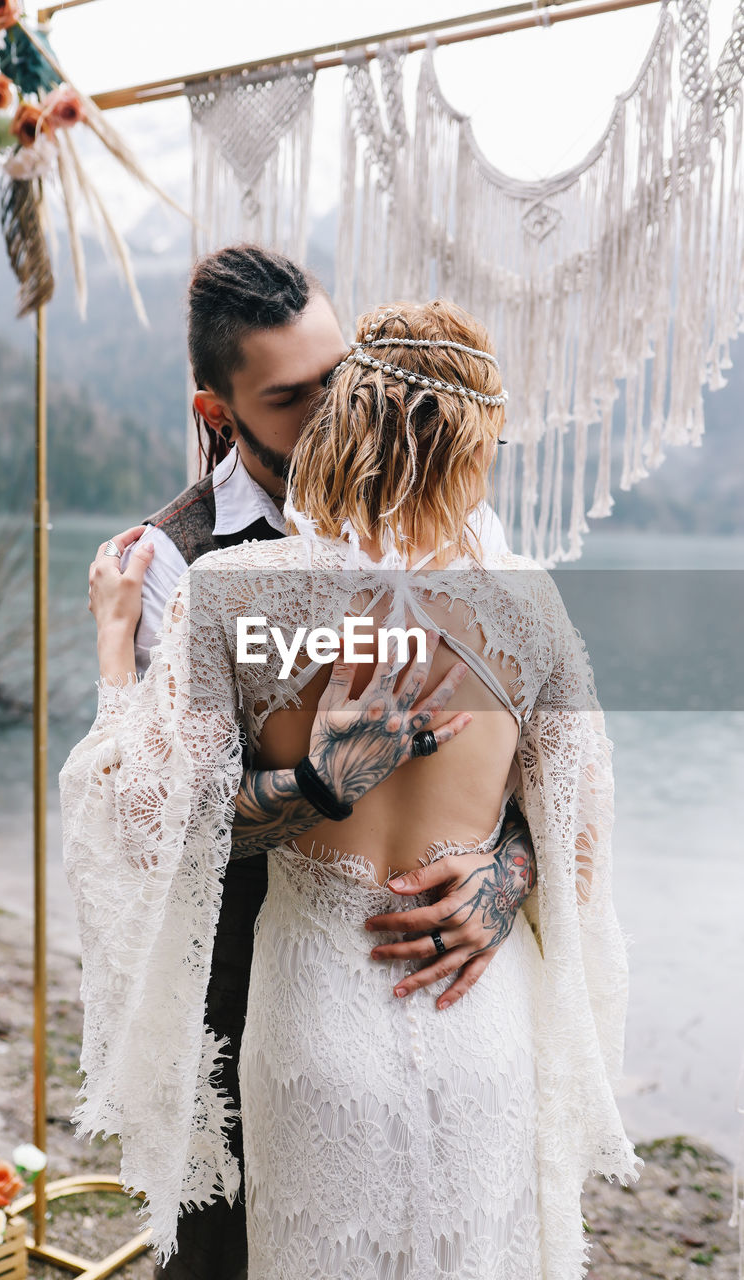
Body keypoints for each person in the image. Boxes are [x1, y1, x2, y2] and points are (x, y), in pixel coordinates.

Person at [62, 297, 641, 1278]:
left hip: (313, 1026)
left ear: (352, 415)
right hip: (475, 1018)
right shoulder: (532, 606)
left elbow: (145, 818)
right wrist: (496, 879)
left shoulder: (235, 593)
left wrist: (116, 647)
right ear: (474, 446)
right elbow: (579, 848)